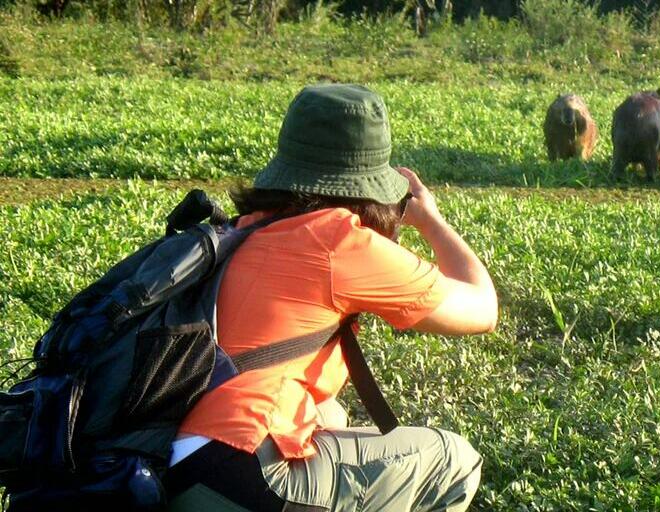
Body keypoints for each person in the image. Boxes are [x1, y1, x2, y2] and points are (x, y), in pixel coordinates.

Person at [165, 83, 498, 512]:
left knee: (330, 417)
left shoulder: (244, 228)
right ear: (371, 183)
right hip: (235, 474)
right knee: (452, 461)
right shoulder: (338, 240)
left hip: (169, 466)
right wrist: (431, 222)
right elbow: (482, 308)